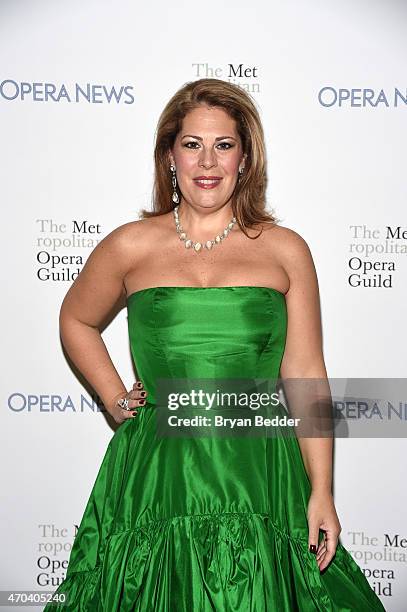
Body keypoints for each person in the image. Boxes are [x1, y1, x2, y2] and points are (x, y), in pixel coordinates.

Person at [44, 78, 385, 611]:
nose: (208, 162)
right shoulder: (130, 244)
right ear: (169, 155)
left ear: (245, 159)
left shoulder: (286, 250)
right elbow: (76, 319)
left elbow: (306, 373)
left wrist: (322, 489)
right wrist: (115, 397)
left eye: (224, 145)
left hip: (258, 466)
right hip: (160, 469)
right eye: (192, 144)